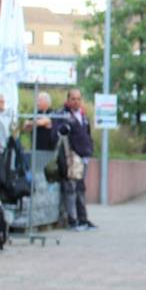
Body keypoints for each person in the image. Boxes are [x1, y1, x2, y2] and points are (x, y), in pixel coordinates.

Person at [53, 88, 95, 231]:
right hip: (70, 157)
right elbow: (57, 133)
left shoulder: (83, 116)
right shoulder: (63, 115)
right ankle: (73, 220)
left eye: (78, 99)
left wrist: (90, 149)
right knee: (70, 188)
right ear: (68, 100)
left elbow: (87, 135)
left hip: (83, 157)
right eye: (73, 99)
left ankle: (83, 219)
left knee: (81, 188)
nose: (76, 102)